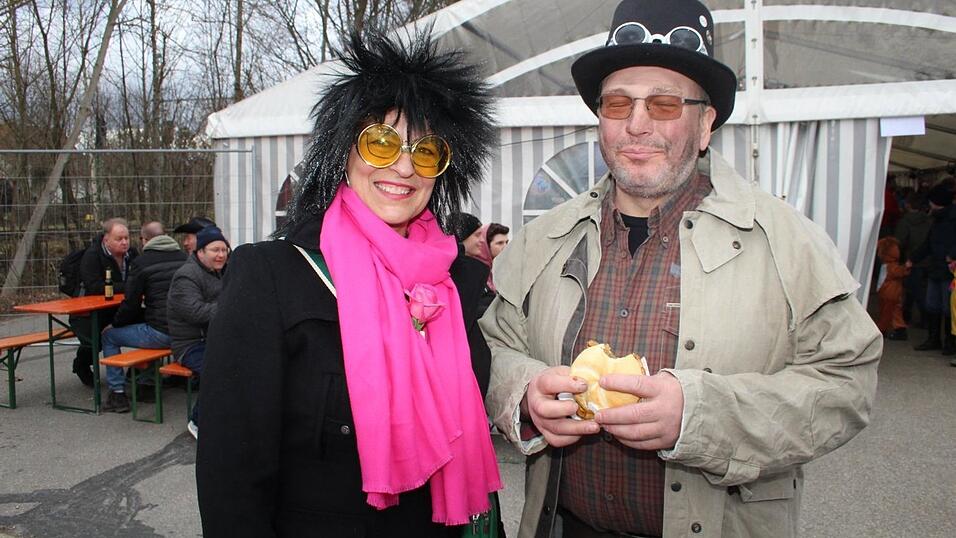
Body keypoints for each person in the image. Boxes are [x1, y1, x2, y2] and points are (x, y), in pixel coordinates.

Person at [480, 1, 882, 537]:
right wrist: (525, 394)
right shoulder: (541, 240)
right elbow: (491, 349)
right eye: (618, 104)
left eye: (666, 104)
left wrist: (700, 415)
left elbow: (846, 382)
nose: (637, 125)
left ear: (706, 123)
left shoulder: (788, 241)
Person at [196, 29, 502, 537]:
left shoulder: (461, 280)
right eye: (380, 143)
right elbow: (233, 472)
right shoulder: (272, 275)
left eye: (426, 153)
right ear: (343, 152)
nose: (403, 167)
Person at [100, 222, 187, 413]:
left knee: (109, 336)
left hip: (161, 333)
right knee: (143, 326)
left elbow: (131, 303)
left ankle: (118, 393)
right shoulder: (185, 258)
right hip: (186, 333)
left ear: (144, 240)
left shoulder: (141, 262)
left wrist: (114, 324)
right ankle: (146, 385)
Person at [166, 225, 230, 438]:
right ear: (200, 251)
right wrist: (234, 308)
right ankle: (197, 421)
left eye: (224, 250)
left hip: (217, 339)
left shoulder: (222, 272)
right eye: (215, 250)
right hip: (191, 345)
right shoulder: (186, 276)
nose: (220, 255)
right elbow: (196, 312)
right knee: (220, 369)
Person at [69, 218, 139, 387]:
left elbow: (140, 278)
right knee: (95, 338)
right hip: (89, 313)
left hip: (120, 308)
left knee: (152, 321)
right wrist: (129, 287)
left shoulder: (133, 254)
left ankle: (141, 375)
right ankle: (82, 364)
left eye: (126, 238)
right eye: (119, 239)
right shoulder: (92, 256)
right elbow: (95, 287)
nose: (124, 242)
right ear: (106, 240)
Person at [911, 182, 956, 354]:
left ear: (937, 202)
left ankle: (948, 342)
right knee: (933, 305)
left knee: (947, 308)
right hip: (936, 268)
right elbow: (928, 244)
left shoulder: (946, 219)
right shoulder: (937, 219)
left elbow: (929, 244)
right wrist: (912, 259)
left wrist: (952, 255)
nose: (929, 205)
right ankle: (935, 339)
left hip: (949, 270)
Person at [875, 236, 909, 340]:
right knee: (892, 312)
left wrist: (905, 268)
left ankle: (889, 329)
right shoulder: (889, 265)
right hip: (890, 293)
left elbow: (899, 272)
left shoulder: (890, 266)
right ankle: (894, 329)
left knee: (889, 313)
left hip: (890, 294)